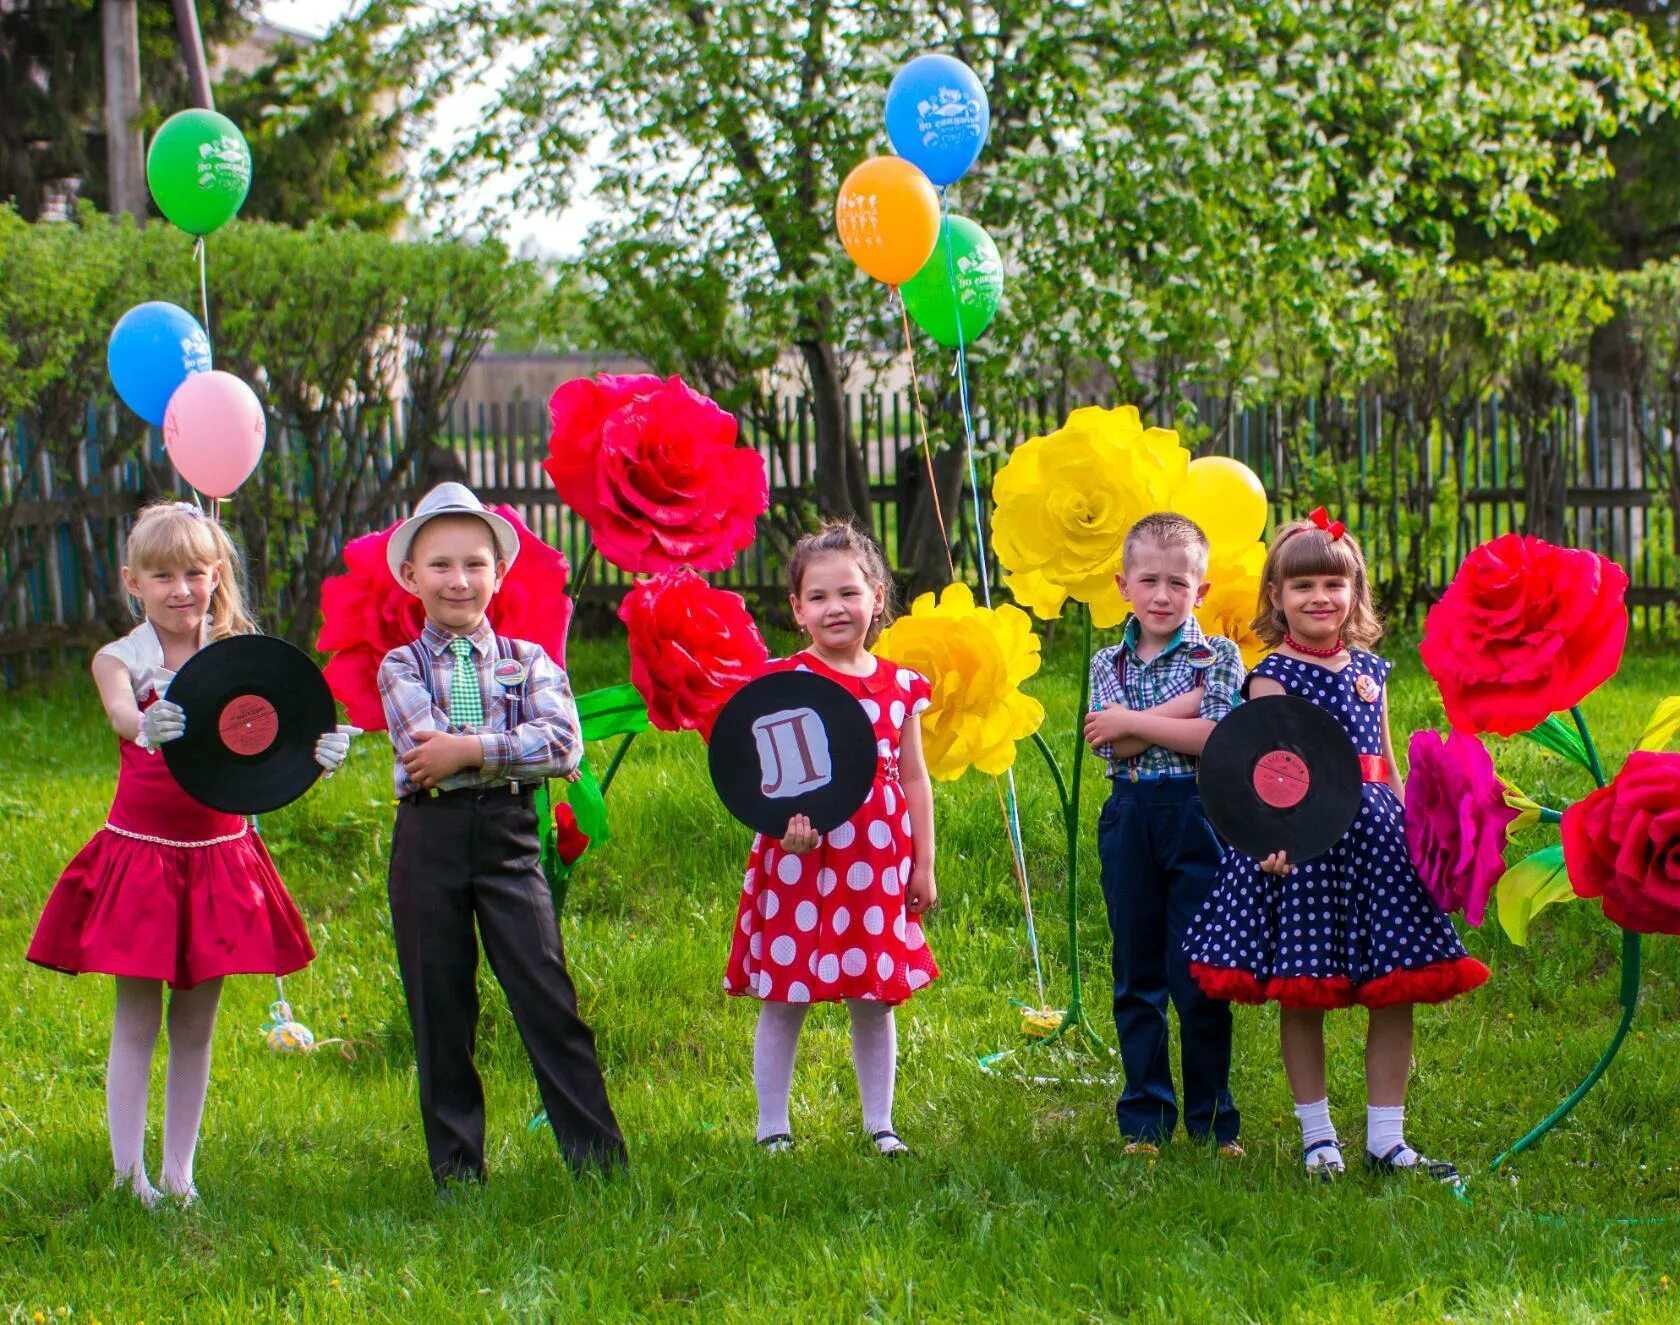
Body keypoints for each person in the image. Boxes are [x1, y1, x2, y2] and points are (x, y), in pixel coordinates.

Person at [27, 501, 352, 1207]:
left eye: (195, 574)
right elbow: (120, 710)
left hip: (218, 858)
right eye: (162, 574)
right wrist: (148, 721)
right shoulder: (121, 658)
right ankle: (126, 1173)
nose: (181, 589)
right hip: (142, 858)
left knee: (197, 1025)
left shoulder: (241, 657)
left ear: (217, 576)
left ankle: (179, 1173)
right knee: (137, 1018)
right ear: (132, 582)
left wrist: (317, 750)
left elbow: (280, 736)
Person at [1182, 508, 1489, 1182]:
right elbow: (1262, 772)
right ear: (1277, 599)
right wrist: (1268, 841)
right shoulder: (1270, 676)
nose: (1320, 597)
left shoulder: (1373, 669)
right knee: (1304, 989)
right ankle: (1319, 1138)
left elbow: (1385, 757)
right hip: (1303, 851)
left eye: (1332, 583)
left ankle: (1387, 1138)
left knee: (1394, 986)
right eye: (1302, 587)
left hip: (1378, 845)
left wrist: (1419, 834)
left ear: (1354, 592)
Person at [376, 481, 625, 1191]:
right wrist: (496, 744)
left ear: (498, 573)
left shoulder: (532, 659)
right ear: (410, 576)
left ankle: (599, 1159)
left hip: (512, 837)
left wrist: (471, 750)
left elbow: (564, 744)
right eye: (441, 565)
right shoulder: (401, 666)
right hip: (431, 840)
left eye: (474, 563)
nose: (459, 580)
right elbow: (425, 751)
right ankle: (457, 1169)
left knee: (546, 992)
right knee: (440, 1003)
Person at [724, 522, 937, 1157]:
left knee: (875, 996)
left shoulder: (900, 686)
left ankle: (881, 1124)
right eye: (817, 597)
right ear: (796, 609)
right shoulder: (782, 684)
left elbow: (917, 779)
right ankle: (772, 1127)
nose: (834, 608)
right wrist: (778, 827)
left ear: (876, 597)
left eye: (848, 593)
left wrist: (923, 864)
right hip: (800, 861)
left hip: (876, 861)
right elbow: (761, 776)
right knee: (786, 994)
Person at [1082, 512, 1246, 1157]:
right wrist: (1176, 711)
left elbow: (1217, 736)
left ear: (1200, 591)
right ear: (1123, 585)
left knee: (1200, 975)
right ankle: (1144, 1120)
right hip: (1129, 818)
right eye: (1148, 580)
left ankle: (1213, 1122)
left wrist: (1131, 719)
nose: (1161, 596)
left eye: (1178, 584)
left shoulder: (1221, 655)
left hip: (1198, 817)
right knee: (1136, 973)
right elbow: (1106, 744)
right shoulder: (1106, 660)